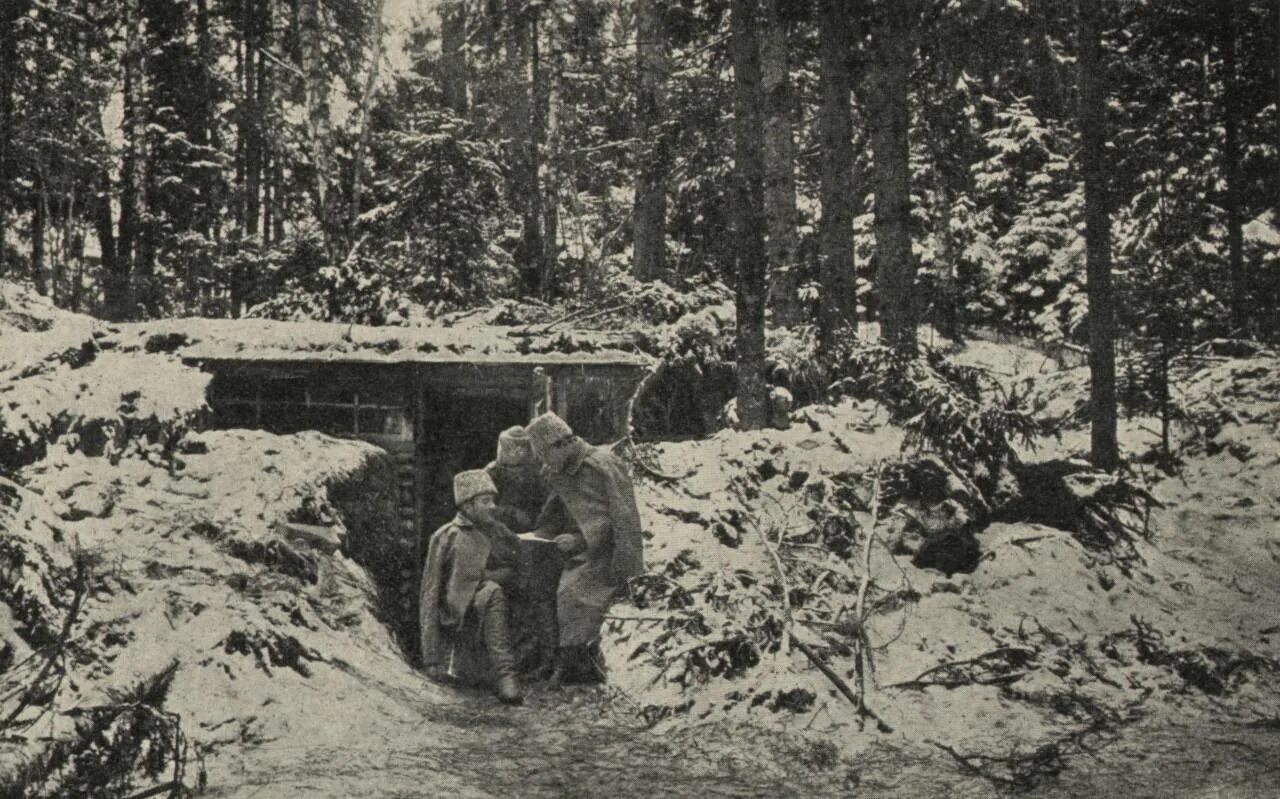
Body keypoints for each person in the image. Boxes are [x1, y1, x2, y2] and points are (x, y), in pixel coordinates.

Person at [525, 412, 645, 684]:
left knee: (572, 590)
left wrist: (579, 541)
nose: (544, 462)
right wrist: (542, 535)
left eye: (544, 455)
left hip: (606, 553)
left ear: (560, 445)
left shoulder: (603, 465)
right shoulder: (561, 469)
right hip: (574, 548)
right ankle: (550, 656)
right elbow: (555, 513)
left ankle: (570, 664)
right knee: (539, 580)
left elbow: (622, 519)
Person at [418, 470, 524, 704]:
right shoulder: (446, 536)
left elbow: (518, 565)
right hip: (457, 620)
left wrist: (492, 576)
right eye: (485, 501)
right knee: (491, 592)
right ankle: (502, 675)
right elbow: (430, 593)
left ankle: (508, 674)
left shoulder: (499, 531)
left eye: (493, 500)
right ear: (467, 505)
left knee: (493, 591)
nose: (492, 507)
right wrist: (431, 657)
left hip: (494, 612)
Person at [484, 426, 548, 533]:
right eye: (512, 448)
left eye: (523, 448)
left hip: (532, 529)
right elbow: (483, 506)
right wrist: (512, 513)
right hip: (498, 528)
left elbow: (546, 501)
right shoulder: (492, 471)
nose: (519, 452)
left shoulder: (537, 471)